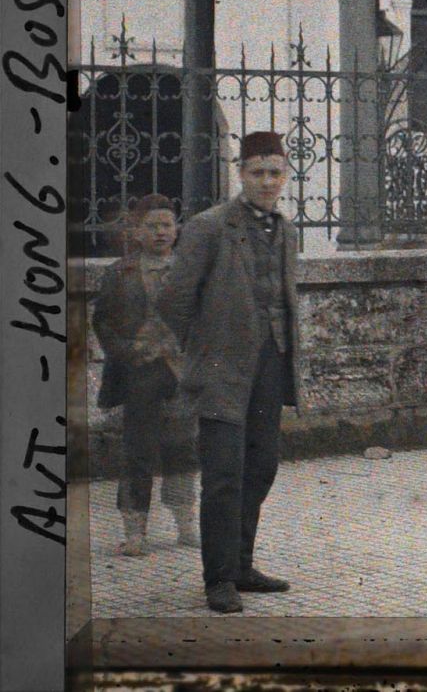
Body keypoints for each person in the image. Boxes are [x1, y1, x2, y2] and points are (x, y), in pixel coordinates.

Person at [155, 131, 301, 614]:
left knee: (261, 466)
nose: (267, 181)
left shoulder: (284, 228)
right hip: (221, 370)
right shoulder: (208, 227)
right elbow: (174, 301)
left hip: (271, 364)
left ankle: (241, 565)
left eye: (275, 171)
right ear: (240, 173)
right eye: (257, 172)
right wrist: (193, 359)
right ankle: (217, 579)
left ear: (285, 175)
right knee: (222, 473)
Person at [91, 194, 199, 557]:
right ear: (136, 232)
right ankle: (135, 531)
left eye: (166, 225)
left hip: (181, 372)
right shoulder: (119, 274)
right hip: (140, 374)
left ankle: (186, 524)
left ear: (177, 229)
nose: (160, 233)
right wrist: (129, 352)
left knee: (184, 448)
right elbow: (103, 323)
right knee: (138, 450)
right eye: (151, 226)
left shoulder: (191, 270)